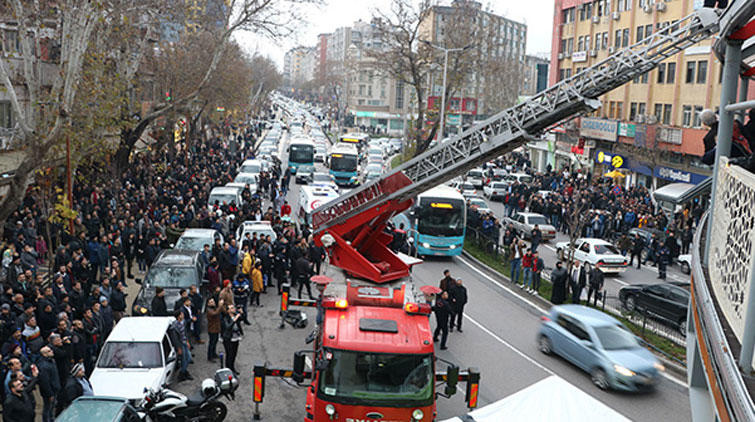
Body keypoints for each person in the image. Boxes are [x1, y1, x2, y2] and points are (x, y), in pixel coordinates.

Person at [37, 346, 60, 422]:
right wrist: (49, 394)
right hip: (49, 391)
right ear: (44, 354)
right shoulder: (43, 366)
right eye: (49, 351)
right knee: (47, 409)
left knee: (51, 408)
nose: (52, 351)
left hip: (54, 389)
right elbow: (45, 382)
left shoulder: (51, 361)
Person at [169, 310, 193, 381]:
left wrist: (188, 341)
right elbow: (175, 339)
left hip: (184, 342)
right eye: (181, 314)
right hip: (181, 344)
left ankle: (183, 372)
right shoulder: (174, 327)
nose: (183, 315)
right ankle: (183, 373)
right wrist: (178, 348)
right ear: (179, 316)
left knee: (188, 358)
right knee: (184, 359)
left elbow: (185, 333)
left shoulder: (183, 322)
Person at [221, 304, 244, 376]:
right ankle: (228, 369)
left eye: (233, 307)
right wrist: (234, 320)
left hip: (235, 337)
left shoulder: (235, 315)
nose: (233, 309)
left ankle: (232, 368)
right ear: (228, 311)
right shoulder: (225, 318)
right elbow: (228, 327)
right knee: (229, 355)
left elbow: (243, 319)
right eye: (231, 308)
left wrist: (242, 313)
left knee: (234, 354)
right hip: (228, 339)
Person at [205, 298, 221, 362]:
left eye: (213, 301)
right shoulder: (209, 310)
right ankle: (210, 356)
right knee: (212, 343)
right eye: (211, 302)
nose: (213, 302)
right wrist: (220, 306)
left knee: (215, 341)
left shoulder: (214, 307)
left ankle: (214, 353)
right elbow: (214, 313)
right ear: (208, 303)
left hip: (216, 328)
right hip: (212, 329)